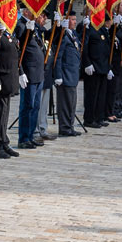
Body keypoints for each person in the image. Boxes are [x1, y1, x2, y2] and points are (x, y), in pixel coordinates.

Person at [0, 7, 22, 160]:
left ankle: (3, 140)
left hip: (9, 78)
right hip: (0, 78)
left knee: (5, 113)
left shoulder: (8, 29)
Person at [15, 10, 49, 149]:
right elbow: (18, 48)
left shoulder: (32, 25)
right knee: (27, 106)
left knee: (35, 106)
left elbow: (46, 34)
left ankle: (30, 136)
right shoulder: (21, 25)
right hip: (28, 72)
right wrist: (20, 72)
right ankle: (23, 138)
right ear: (26, 11)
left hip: (38, 73)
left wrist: (58, 26)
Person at [49, 8, 83, 137]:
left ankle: (70, 125)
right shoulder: (63, 36)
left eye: (75, 20)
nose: (75, 22)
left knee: (72, 103)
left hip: (73, 75)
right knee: (65, 104)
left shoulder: (72, 34)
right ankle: (64, 127)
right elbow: (58, 56)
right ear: (66, 21)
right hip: (65, 75)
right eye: (72, 20)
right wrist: (58, 75)